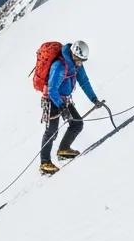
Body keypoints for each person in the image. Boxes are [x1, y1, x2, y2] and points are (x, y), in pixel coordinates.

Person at [39, 40, 105, 175]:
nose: (81, 63)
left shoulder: (77, 66)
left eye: (83, 60)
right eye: (79, 59)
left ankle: (63, 149)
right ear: (74, 54)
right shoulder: (59, 66)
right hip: (52, 100)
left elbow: (84, 82)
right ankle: (44, 163)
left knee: (77, 124)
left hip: (64, 99)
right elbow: (52, 90)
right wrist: (62, 107)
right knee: (52, 131)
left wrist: (94, 99)